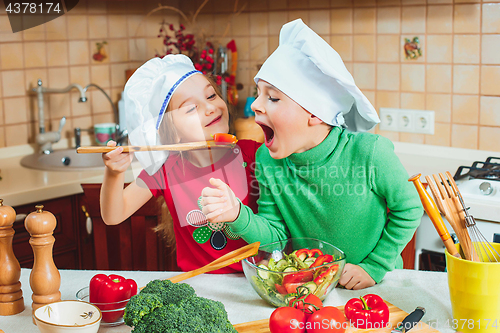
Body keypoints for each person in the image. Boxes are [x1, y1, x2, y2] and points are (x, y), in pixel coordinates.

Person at [200, 19, 423, 289]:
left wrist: (375, 266)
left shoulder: (369, 153)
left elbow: (410, 208)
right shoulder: (268, 160)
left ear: (314, 113)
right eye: (259, 94)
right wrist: (237, 214)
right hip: (310, 286)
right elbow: (277, 239)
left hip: (377, 285)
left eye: (273, 98)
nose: (256, 105)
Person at [100, 54, 261, 273]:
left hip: (256, 283)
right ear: (171, 131)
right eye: (190, 108)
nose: (210, 107)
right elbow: (113, 215)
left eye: (211, 96)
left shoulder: (254, 154)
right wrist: (114, 173)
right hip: (200, 287)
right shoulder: (166, 169)